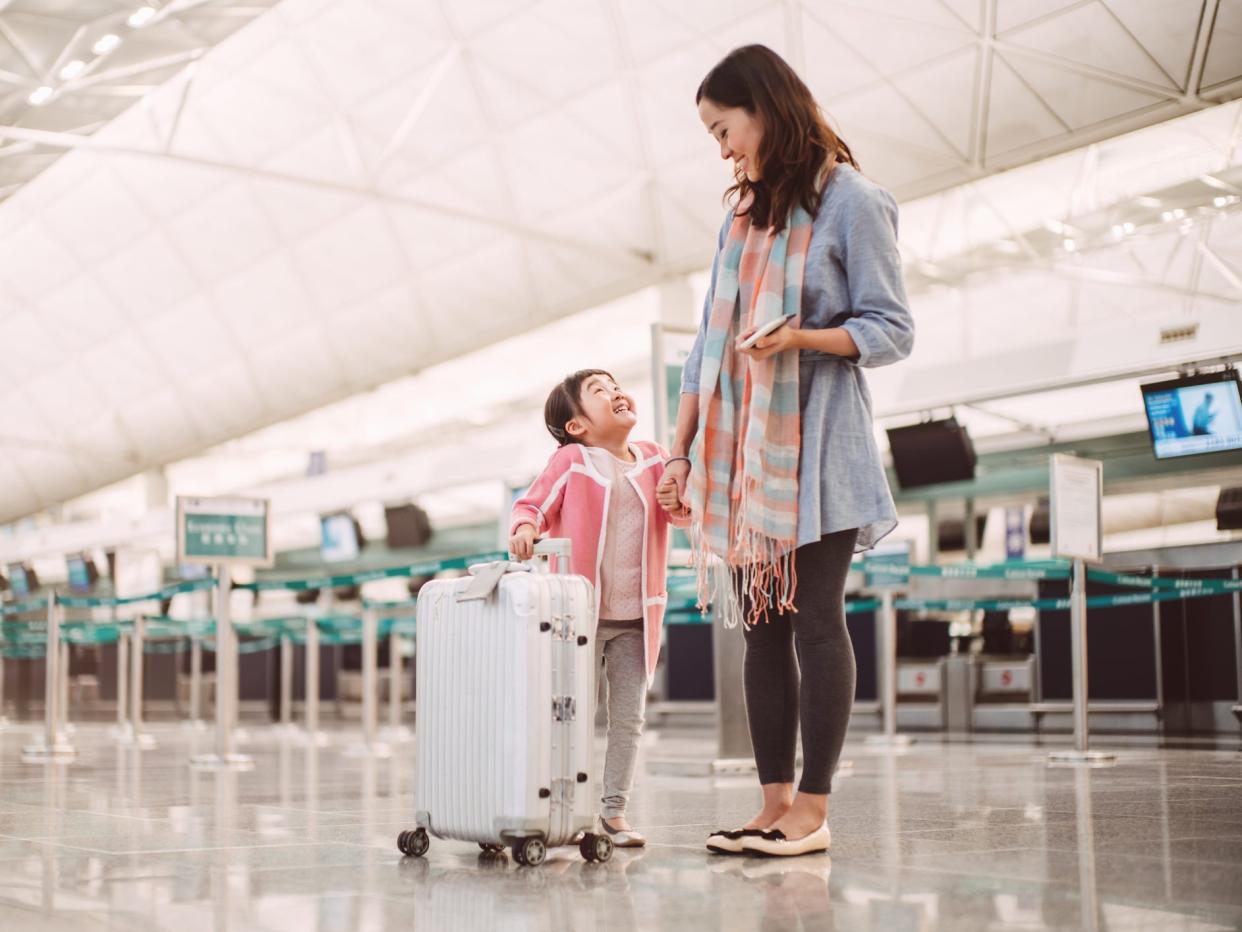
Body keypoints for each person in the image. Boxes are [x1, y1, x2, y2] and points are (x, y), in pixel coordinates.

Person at [657, 45, 914, 858]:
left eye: (724, 128)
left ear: (765, 108)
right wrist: (680, 454)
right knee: (760, 627)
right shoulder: (740, 222)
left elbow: (890, 328)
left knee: (813, 621)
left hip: (821, 447)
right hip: (742, 460)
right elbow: (707, 345)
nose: (723, 148)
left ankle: (813, 807)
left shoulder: (855, 203)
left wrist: (801, 337)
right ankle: (772, 804)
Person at [511, 369, 690, 848]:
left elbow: (680, 513)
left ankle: (613, 814)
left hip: (637, 617)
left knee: (628, 719)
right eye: (598, 392)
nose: (614, 393)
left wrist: (679, 499)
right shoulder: (573, 461)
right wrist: (527, 529)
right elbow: (532, 505)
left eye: (615, 386)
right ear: (577, 426)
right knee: (570, 714)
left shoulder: (654, 457)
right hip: (579, 618)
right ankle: (560, 810)